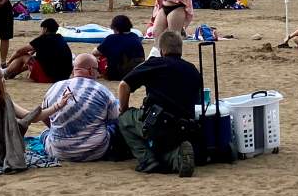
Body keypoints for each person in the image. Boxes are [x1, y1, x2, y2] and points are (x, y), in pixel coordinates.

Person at [114, 31, 201, 177]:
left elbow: (124, 85)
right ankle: (177, 158)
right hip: (185, 126)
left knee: (124, 120)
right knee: (166, 150)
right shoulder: (192, 69)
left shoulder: (154, 64)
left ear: (162, 50)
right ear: (181, 49)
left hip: (157, 122)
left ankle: (147, 160)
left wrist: (124, 109)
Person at [40, 54, 119, 162]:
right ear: (91, 70)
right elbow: (115, 119)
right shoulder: (102, 91)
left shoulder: (55, 87)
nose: (98, 73)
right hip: (95, 152)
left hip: (59, 152)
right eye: (97, 70)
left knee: (44, 134)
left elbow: (43, 115)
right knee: (113, 126)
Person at [4, 18, 73, 83]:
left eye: (42, 29)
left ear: (45, 29)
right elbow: (33, 53)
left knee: (23, 56)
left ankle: (5, 73)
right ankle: (13, 72)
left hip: (49, 77)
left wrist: (9, 61)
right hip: (64, 77)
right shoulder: (60, 38)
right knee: (33, 60)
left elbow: (19, 51)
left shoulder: (43, 39)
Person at [93, 14, 145, 80]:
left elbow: (95, 52)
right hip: (135, 73)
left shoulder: (111, 38)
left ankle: (100, 74)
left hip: (117, 74)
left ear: (115, 28)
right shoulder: (135, 36)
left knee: (98, 56)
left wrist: (96, 48)